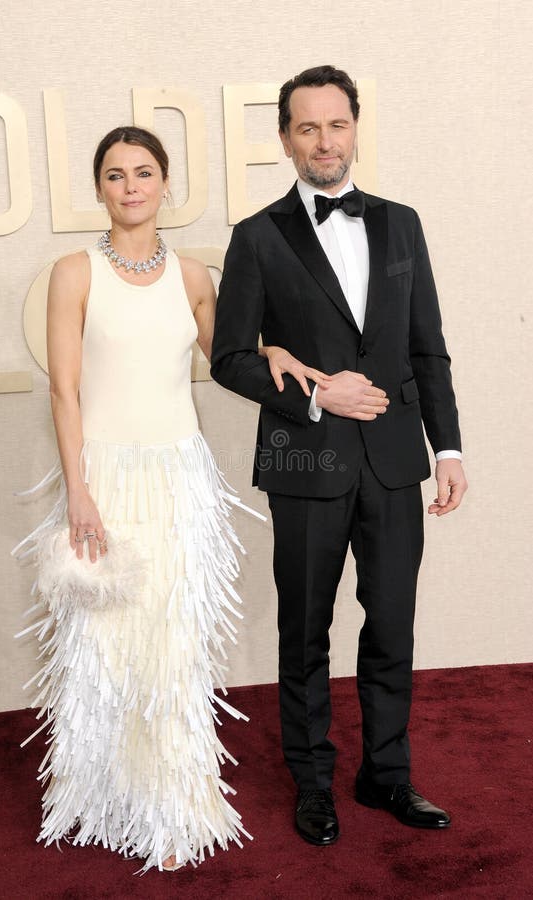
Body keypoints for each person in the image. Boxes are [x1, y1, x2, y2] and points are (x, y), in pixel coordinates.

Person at [14, 125, 308, 872]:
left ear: (164, 182)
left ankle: (171, 810)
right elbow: (64, 390)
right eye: (115, 175)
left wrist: (269, 349)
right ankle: (106, 802)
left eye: (143, 172)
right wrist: (78, 491)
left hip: (179, 479)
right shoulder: (73, 273)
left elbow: (228, 358)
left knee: (171, 651)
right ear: (100, 188)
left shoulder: (194, 278)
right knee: (105, 651)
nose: (131, 186)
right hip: (105, 480)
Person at [211, 65, 468, 847]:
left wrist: (447, 446)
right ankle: (313, 783)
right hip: (305, 462)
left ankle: (385, 774)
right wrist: (318, 396)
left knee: (391, 625)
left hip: (395, 462)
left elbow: (427, 347)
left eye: (337, 124)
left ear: (355, 127)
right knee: (305, 632)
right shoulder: (256, 237)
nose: (325, 141)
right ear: (285, 139)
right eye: (307, 127)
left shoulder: (402, 224)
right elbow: (230, 357)